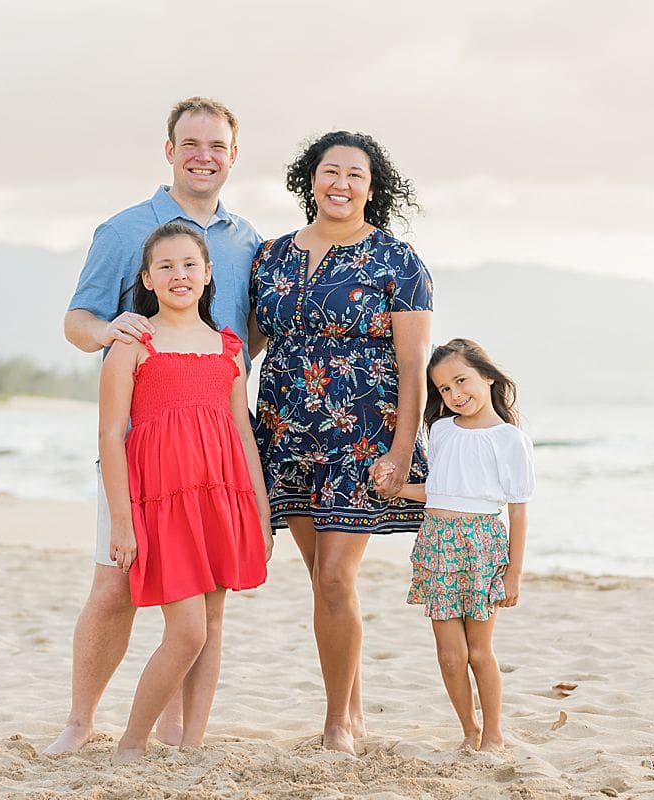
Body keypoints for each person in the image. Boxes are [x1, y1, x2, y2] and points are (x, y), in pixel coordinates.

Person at [46, 97, 262, 755]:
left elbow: (244, 339)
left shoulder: (246, 240)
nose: (204, 155)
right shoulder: (124, 231)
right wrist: (111, 332)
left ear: (232, 155)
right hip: (146, 449)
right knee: (115, 586)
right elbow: (77, 320)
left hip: (216, 455)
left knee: (205, 606)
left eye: (217, 145)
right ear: (169, 150)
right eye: (191, 143)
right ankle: (81, 722)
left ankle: (177, 730)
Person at [248, 130, 433, 754]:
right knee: (321, 579)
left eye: (355, 175)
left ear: (371, 188)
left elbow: (414, 366)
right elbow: (245, 348)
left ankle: (336, 726)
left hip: (362, 434)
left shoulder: (397, 260)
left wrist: (403, 450)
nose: (341, 184)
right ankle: (351, 713)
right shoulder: (269, 256)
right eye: (331, 172)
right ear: (311, 179)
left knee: (334, 578)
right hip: (284, 430)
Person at [99, 222, 272, 762]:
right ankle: (132, 743)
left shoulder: (228, 346)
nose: (180, 275)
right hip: (161, 504)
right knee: (188, 631)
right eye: (166, 267)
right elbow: (110, 435)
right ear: (147, 279)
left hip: (223, 498)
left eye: (190, 265)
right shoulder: (132, 344)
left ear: (208, 273)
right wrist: (123, 522)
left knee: (213, 625)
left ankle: (192, 744)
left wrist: (261, 513)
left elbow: (242, 432)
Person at [372, 338, 534, 751]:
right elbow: (439, 491)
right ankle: (469, 730)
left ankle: (494, 733)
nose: (455, 394)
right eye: (444, 389)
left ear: (488, 377)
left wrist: (514, 572)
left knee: (479, 653)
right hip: (437, 545)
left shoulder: (509, 439)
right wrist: (395, 489)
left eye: (461, 381)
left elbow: (518, 510)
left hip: (482, 547)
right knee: (449, 655)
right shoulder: (441, 431)